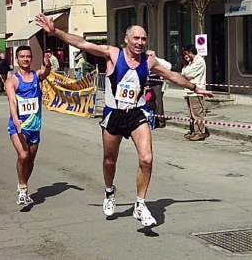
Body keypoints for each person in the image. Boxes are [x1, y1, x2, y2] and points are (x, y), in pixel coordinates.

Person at [35, 13, 214, 226]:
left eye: (143, 39)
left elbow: (171, 75)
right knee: (110, 161)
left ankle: (140, 204)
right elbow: (82, 43)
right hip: (114, 114)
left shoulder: (149, 61)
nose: (140, 43)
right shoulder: (112, 54)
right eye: (136, 39)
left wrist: (195, 88)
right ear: (126, 39)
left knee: (147, 159)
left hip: (137, 113)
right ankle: (109, 192)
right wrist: (55, 32)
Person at [5, 45, 53, 205]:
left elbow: (46, 73)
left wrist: (47, 64)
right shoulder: (12, 80)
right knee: (23, 155)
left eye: (28, 56)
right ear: (17, 59)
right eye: (22, 56)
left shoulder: (36, 75)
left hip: (34, 125)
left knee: (30, 159)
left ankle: (23, 185)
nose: (25, 59)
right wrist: (16, 118)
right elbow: (12, 101)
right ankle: (22, 187)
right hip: (18, 125)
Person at [181, 44, 208, 141]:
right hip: (189, 92)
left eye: (186, 54)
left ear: (191, 52)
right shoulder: (190, 63)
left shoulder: (199, 61)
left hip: (196, 92)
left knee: (197, 113)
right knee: (191, 114)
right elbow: (184, 72)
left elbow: (187, 74)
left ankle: (199, 133)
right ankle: (193, 131)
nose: (185, 56)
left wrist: (184, 73)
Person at [146, 50, 172, 128]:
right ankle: (151, 119)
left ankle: (160, 121)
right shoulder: (146, 61)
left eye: (150, 55)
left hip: (157, 83)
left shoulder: (160, 61)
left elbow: (168, 66)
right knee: (149, 102)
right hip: (148, 82)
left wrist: (161, 75)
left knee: (158, 102)